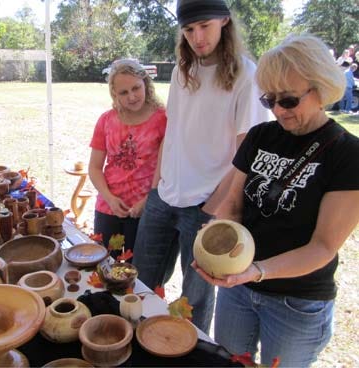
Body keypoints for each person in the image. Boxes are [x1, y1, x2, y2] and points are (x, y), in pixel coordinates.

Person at [193, 34, 359, 367]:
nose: (279, 111)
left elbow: (324, 246)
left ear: (322, 88)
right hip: (238, 290)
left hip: (296, 302)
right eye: (270, 100)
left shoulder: (347, 153)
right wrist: (214, 247)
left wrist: (257, 271)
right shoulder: (260, 136)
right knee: (228, 362)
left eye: (289, 100)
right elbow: (233, 205)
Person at [132, 0, 269, 334]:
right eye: (189, 29)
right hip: (164, 197)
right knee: (139, 286)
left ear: (224, 20)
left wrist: (214, 208)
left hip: (207, 204)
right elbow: (172, 131)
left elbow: (246, 156)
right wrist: (155, 186)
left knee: (194, 302)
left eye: (204, 25)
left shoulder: (247, 75)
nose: (197, 37)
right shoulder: (182, 70)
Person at [88, 59, 166, 256]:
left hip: (146, 211)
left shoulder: (163, 119)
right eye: (123, 92)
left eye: (136, 88)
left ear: (146, 84)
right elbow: (95, 168)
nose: (132, 96)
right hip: (108, 209)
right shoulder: (106, 120)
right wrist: (110, 199)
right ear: (114, 94)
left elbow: (169, 170)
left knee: (138, 273)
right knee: (105, 266)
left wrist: (147, 200)